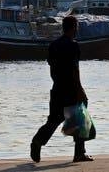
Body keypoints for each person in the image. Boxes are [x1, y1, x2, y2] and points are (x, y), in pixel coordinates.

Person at [31, 15, 94, 163]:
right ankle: (79, 154)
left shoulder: (54, 45)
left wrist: (57, 83)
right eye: (76, 27)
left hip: (57, 89)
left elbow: (52, 67)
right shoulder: (73, 45)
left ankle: (37, 141)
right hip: (71, 90)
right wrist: (80, 90)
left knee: (53, 120)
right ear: (74, 28)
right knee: (80, 120)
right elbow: (74, 69)